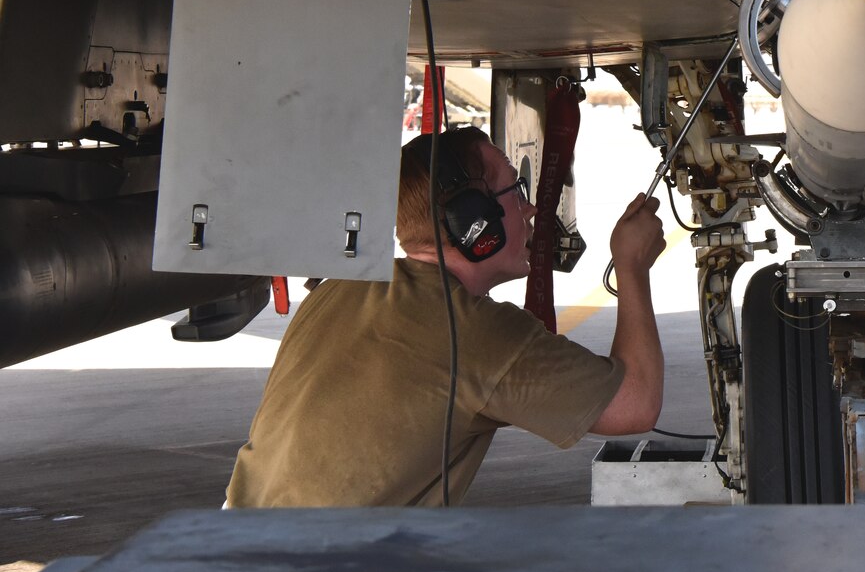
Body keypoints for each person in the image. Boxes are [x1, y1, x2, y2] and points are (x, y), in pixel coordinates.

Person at [227, 126, 668, 507]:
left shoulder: (339, 289)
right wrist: (631, 267)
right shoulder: (476, 333)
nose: (531, 209)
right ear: (473, 220)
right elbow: (635, 405)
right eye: (514, 192)